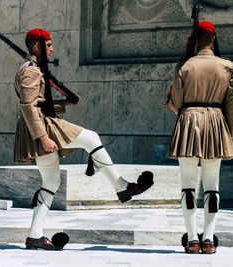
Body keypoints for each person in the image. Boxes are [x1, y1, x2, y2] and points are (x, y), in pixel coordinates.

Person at [14, 28, 154, 250]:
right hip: (41, 125)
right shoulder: (30, 71)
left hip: (41, 121)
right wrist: (42, 137)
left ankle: (35, 235)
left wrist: (64, 104)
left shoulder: (34, 68)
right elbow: (29, 106)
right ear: (38, 46)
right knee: (90, 137)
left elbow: (39, 103)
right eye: (48, 45)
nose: (52, 49)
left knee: (51, 182)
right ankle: (121, 186)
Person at [166, 21, 233, 254]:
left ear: (195, 40)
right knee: (212, 186)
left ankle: (191, 239)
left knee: (188, 187)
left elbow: (175, 103)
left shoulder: (184, 66)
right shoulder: (228, 66)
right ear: (214, 39)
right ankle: (208, 239)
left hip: (189, 122)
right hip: (217, 123)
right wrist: (228, 134)